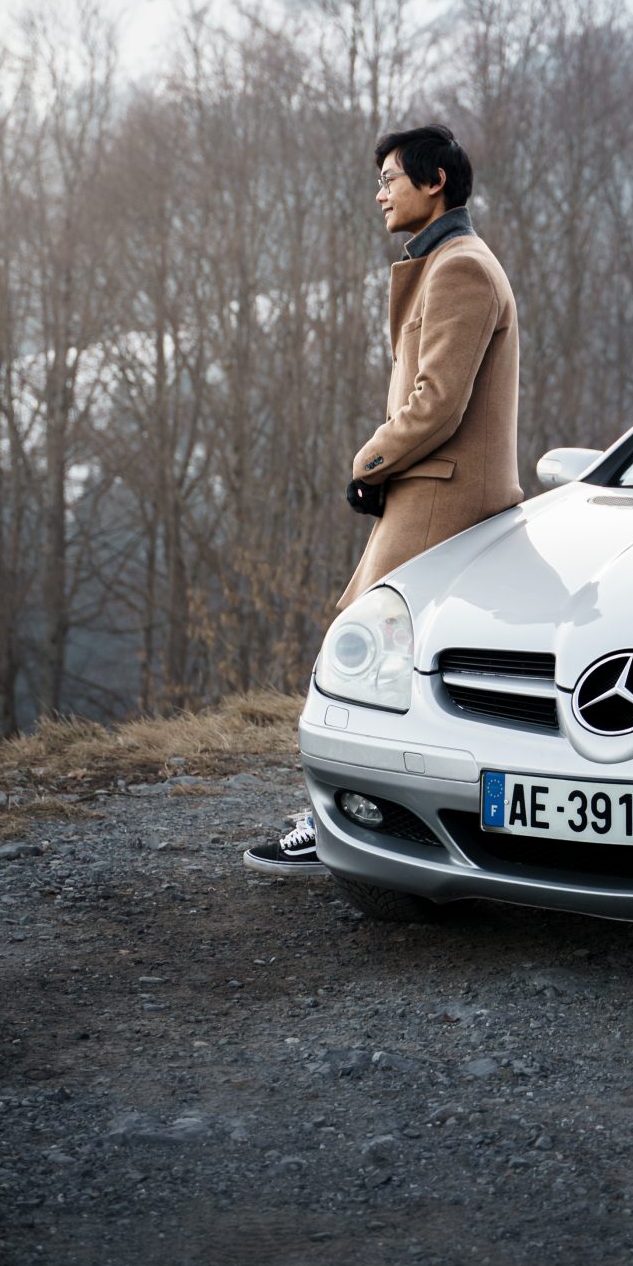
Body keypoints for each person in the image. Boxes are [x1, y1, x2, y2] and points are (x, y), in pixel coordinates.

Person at [245, 122, 522, 871]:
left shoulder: (461, 269)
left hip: (443, 497)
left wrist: (369, 462)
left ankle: (336, 820)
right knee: (411, 668)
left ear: (435, 182)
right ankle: (385, 817)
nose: (380, 195)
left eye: (390, 179)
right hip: (434, 491)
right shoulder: (447, 263)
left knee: (362, 649)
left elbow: (437, 404)